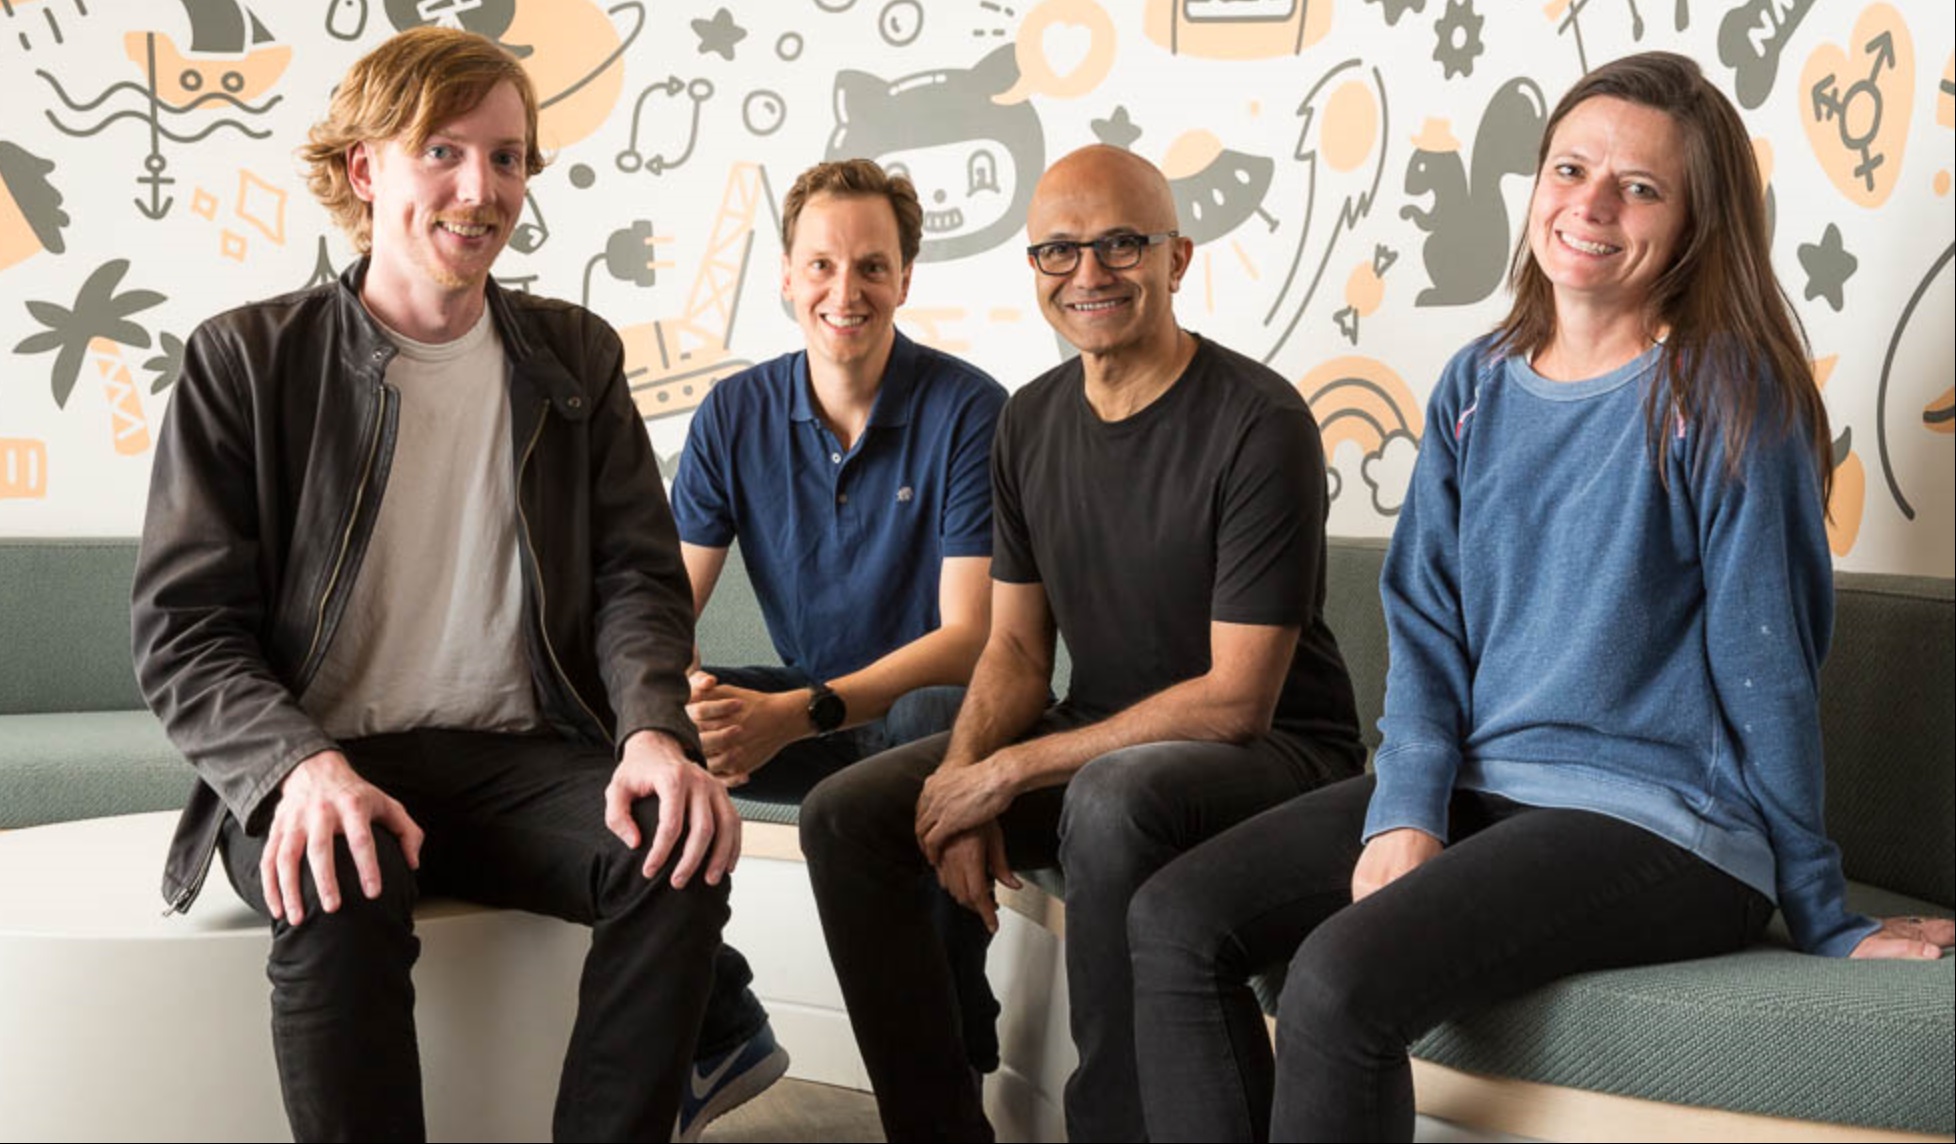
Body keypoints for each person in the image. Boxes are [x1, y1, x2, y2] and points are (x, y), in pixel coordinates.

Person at [1127, 51, 1956, 1143]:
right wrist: (1410, 804)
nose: (1592, 204)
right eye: (1571, 168)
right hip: (1487, 787)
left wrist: (1820, 908)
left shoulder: (1725, 391)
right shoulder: (1476, 381)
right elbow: (1424, 623)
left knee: (1335, 979)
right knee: (1173, 919)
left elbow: (1770, 666)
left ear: (1697, 222)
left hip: (1665, 828)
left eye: (1641, 187)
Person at [130, 28, 738, 1142]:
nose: (482, 189)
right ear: (366, 171)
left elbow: (637, 580)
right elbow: (184, 630)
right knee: (336, 879)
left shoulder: (576, 358)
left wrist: (654, 730)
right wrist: (298, 769)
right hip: (320, 757)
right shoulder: (245, 361)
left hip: (520, 755)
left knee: (678, 852)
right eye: (444, 153)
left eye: (507, 158)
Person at [799, 143, 1366, 1142]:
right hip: (1108, 739)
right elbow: (1016, 649)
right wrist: (966, 778)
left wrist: (1010, 771)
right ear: (1033, 268)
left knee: (1111, 798)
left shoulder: (1258, 420)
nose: (1089, 274)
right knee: (848, 817)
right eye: (1059, 250)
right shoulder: (1028, 422)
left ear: (1178, 259)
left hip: (1277, 757)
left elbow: (1238, 698)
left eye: (1120, 245)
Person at [667, 158, 1008, 1139]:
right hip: (812, 706)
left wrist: (791, 713)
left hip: (931, 710)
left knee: (943, 725)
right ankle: (714, 1019)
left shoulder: (971, 412)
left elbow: (965, 642)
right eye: (820, 264)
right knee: (628, 725)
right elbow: (660, 608)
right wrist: (671, 684)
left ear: (905, 279)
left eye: (870, 266)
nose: (843, 291)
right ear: (786, 275)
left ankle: (950, 1091)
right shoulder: (733, 414)